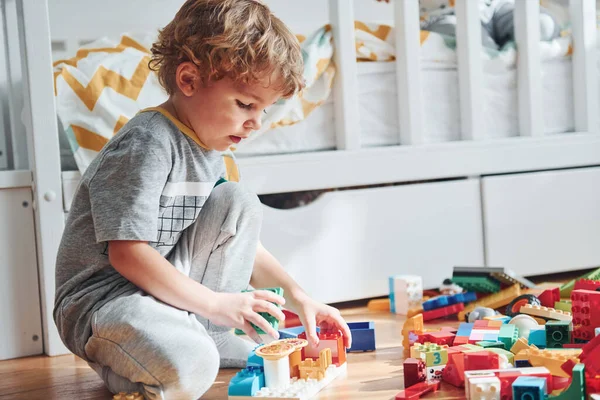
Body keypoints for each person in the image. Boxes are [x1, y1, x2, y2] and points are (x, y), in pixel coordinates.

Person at [53, 1, 352, 398]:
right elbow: (127, 254)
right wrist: (215, 302)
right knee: (193, 366)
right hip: (104, 303)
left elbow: (243, 243)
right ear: (189, 80)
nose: (256, 122)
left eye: (264, 109)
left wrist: (300, 297)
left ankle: (210, 334)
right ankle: (164, 362)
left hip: (159, 289)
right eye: (245, 104)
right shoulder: (147, 143)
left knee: (239, 199)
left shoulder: (213, 151)